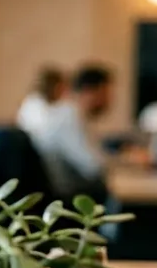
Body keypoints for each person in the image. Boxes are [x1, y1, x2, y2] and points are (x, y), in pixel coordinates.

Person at [28, 64, 119, 200]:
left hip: (70, 194)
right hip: (70, 199)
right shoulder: (68, 116)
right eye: (106, 93)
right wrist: (125, 162)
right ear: (90, 91)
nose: (110, 100)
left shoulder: (73, 115)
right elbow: (92, 167)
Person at [15, 65, 66, 138]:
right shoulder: (35, 104)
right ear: (55, 87)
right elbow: (46, 133)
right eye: (61, 89)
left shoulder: (33, 101)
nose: (63, 93)